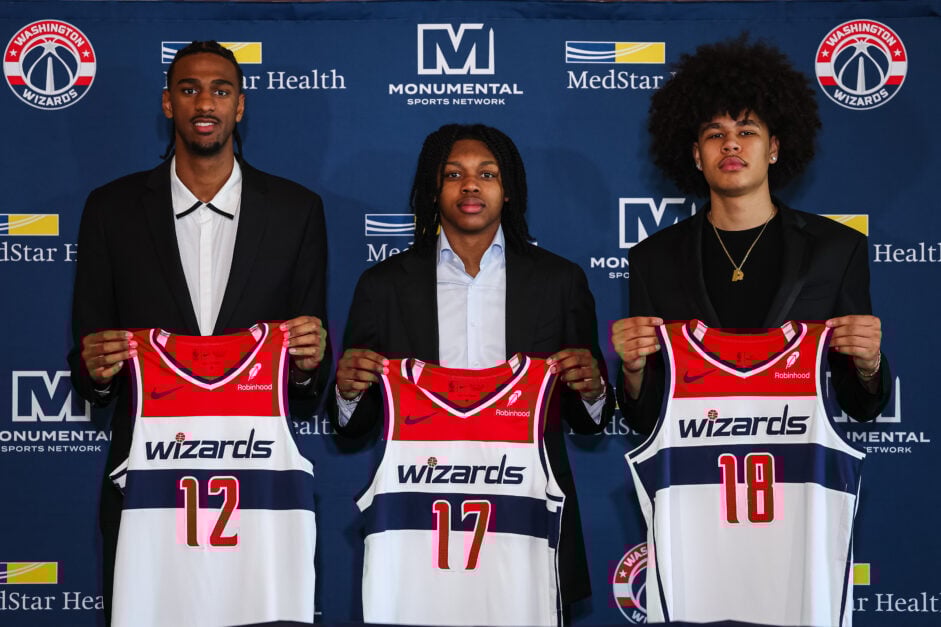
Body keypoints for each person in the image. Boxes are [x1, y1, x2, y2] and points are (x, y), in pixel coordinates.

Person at [67, 41, 330, 621]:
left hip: (261, 481)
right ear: (167, 103)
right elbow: (87, 369)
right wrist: (98, 370)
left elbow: (310, 375)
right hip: (146, 485)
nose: (204, 102)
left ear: (240, 106)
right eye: (189, 89)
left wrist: (311, 363)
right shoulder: (110, 210)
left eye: (220, 89)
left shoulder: (296, 210)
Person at [328, 123, 615, 616]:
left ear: (509, 191)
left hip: (528, 507)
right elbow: (352, 428)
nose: (470, 186)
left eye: (487, 173)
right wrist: (348, 392)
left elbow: (591, 422)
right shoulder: (383, 285)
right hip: (420, 513)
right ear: (432, 189)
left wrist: (591, 389)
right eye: (453, 174)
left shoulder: (560, 281)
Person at [611, 35, 890, 433]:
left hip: (799, 474)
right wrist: (634, 371)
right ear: (695, 155)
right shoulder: (652, 259)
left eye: (746, 131)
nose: (729, 144)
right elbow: (644, 419)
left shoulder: (837, 249)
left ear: (774, 148)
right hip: (696, 475)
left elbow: (861, 407)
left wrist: (869, 365)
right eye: (714, 134)